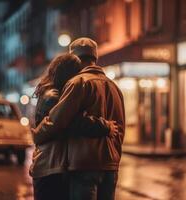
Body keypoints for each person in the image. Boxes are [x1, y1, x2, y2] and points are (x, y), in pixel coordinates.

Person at [33, 37, 125, 200]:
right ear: (95, 58)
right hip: (111, 165)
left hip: (84, 163)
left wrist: (38, 134)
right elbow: (121, 129)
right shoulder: (114, 87)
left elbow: (59, 120)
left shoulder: (78, 82)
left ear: (74, 58)